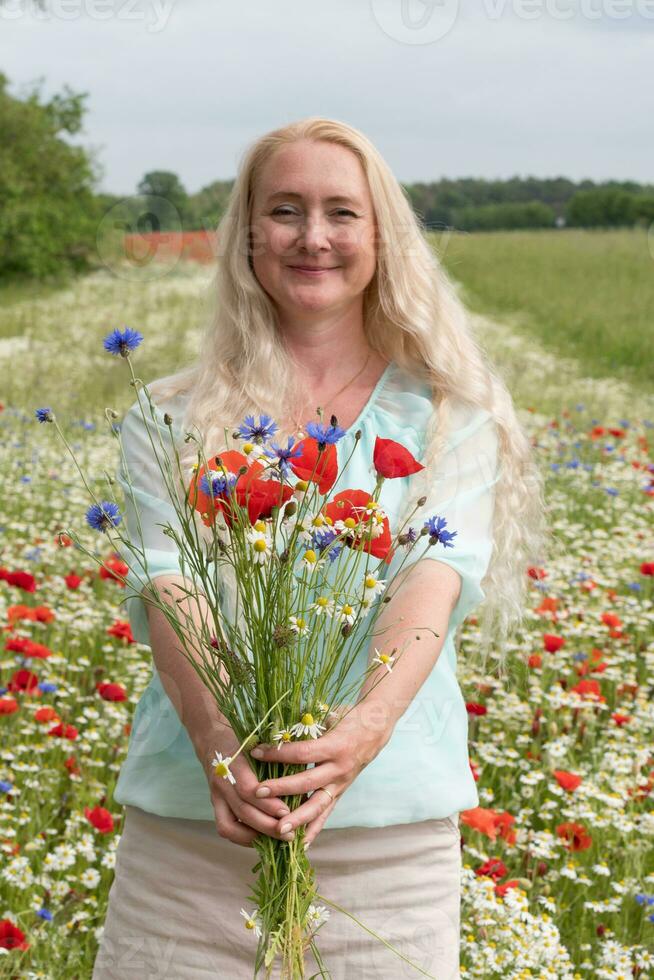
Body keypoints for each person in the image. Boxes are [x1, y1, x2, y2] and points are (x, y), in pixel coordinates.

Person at [91, 117, 543, 980]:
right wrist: (221, 745)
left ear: (381, 238)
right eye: (286, 210)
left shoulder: (453, 415)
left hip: (386, 841)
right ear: (249, 235)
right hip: (194, 828)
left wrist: (359, 735)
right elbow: (165, 581)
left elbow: (433, 578)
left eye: (342, 212)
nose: (314, 237)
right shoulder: (169, 418)